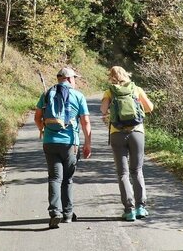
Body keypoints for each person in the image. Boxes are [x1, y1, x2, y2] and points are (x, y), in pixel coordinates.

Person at [34, 67, 92, 229]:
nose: (76, 81)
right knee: (67, 179)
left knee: (54, 178)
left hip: (50, 142)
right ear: (68, 78)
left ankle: (55, 212)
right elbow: (85, 122)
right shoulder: (78, 95)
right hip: (70, 144)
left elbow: (37, 117)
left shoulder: (46, 94)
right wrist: (88, 142)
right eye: (74, 78)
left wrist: (43, 130)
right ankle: (67, 214)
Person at [101, 65, 154, 221]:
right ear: (126, 74)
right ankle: (141, 208)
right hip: (137, 132)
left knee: (123, 173)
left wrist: (112, 109)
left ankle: (129, 210)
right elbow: (150, 107)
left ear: (111, 77)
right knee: (137, 170)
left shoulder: (110, 91)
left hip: (117, 134)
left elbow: (103, 110)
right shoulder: (135, 88)